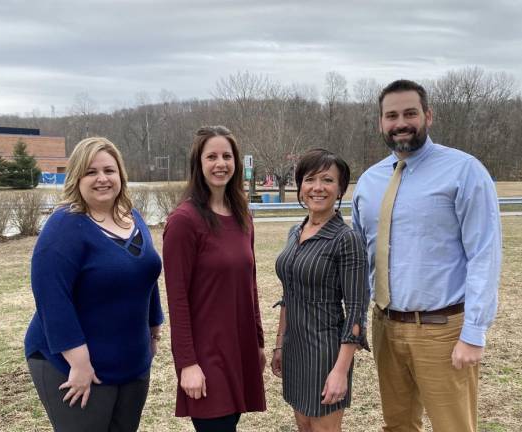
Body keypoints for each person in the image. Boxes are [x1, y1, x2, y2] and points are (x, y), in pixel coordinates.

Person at [352, 79, 502, 432]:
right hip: (386, 327)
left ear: (428, 116)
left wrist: (474, 332)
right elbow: (360, 258)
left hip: (443, 330)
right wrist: (356, 318)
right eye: (391, 115)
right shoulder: (369, 182)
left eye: (410, 113)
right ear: (380, 123)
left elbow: (485, 254)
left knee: (454, 427)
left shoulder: (464, 172)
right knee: (398, 425)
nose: (400, 122)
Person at [24, 137, 164, 432]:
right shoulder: (64, 226)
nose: (102, 179)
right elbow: (52, 299)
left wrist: (153, 329)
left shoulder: (132, 216)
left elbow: (145, 275)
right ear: (76, 177)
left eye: (109, 171)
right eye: (91, 172)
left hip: (131, 361)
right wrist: (79, 363)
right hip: (72, 366)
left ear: (121, 175)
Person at [162, 125, 266, 432]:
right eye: (212, 157)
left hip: (239, 347)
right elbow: (177, 300)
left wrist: (258, 343)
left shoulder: (242, 216)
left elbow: (250, 284)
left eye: (227, 156)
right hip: (206, 356)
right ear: (198, 163)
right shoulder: (184, 222)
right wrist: (187, 364)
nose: (221, 164)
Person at [271, 149, 369, 432]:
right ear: (300, 186)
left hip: (325, 352)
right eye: (310, 179)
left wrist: (340, 371)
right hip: (295, 348)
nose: (317, 187)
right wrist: (280, 344)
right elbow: (288, 294)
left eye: (327, 180)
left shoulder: (345, 239)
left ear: (339, 189)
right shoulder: (295, 231)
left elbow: (356, 311)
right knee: (303, 425)